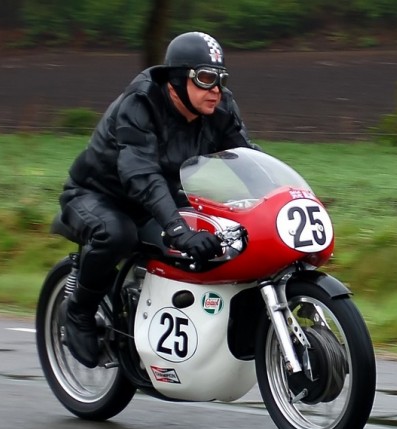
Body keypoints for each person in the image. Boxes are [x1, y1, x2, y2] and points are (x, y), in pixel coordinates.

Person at [57, 31, 260, 368]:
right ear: (177, 80)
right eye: (207, 78)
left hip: (161, 195)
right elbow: (141, 175)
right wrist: (178, 229)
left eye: (221, 79)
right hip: (99, 194)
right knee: (117, 234)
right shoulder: (140, 104)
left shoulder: (220, 107)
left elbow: (247, 159)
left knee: (222, 240)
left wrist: (276, 202)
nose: (217, 90)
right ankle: (78, 310)